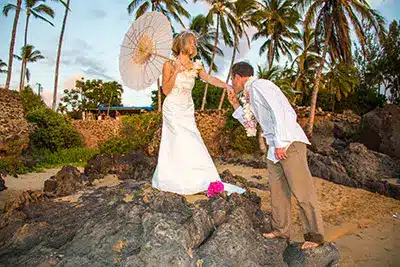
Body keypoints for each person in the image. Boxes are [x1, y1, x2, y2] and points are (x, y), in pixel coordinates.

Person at [225, 61, 324, 249]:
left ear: (238, 77)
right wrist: (235, 104)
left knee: (302, 190)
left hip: (288, 144)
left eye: (232, 79)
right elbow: (251, 126)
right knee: (278, 191)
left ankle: (315, 235)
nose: (232, 83)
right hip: (274, 148)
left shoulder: (260, 85)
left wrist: (280, 143)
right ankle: (280, 230)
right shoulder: (249, 95)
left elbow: (281, 112)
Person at [152, 31, 245, 196]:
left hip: (187, 108)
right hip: (172, 108)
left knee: (193, 139)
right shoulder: (169, 64)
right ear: (182, 44)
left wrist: (226, 86)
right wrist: (176, 72)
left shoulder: (197, 65)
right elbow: (166, 90)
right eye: (191, 42)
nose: (194, 45)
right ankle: (174, 179)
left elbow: (209, 79)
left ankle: (200, 179)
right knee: (178, 140)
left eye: (195, 43)